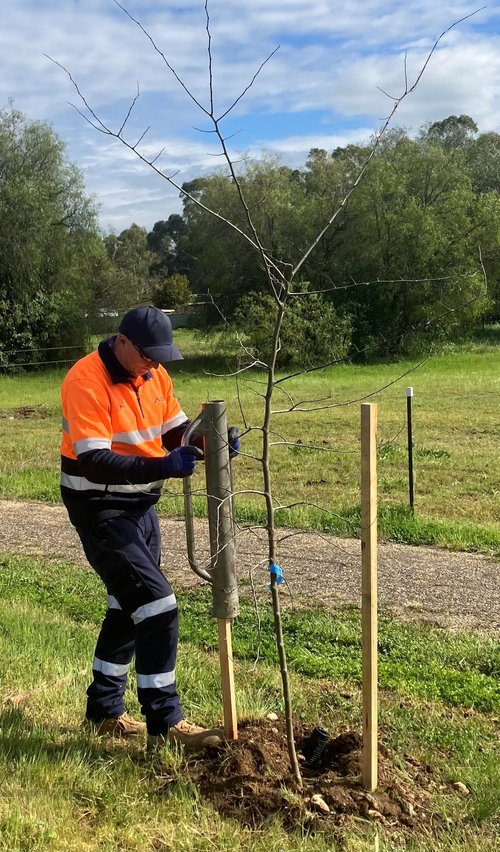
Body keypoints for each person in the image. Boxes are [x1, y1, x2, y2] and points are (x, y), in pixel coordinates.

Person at [60, 305, 240, 751]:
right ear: (122, 342)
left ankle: (103, 712)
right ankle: (165, 724)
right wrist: (162, 466)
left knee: (129, 606)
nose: (154, 365)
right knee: (158, 607)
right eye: (147, 356)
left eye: (160, 358)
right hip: (99, 507)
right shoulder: (85, 379)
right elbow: (94, 460)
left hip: (140, 507)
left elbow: (177, 433)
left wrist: (211, 443)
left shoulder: (154, 376)